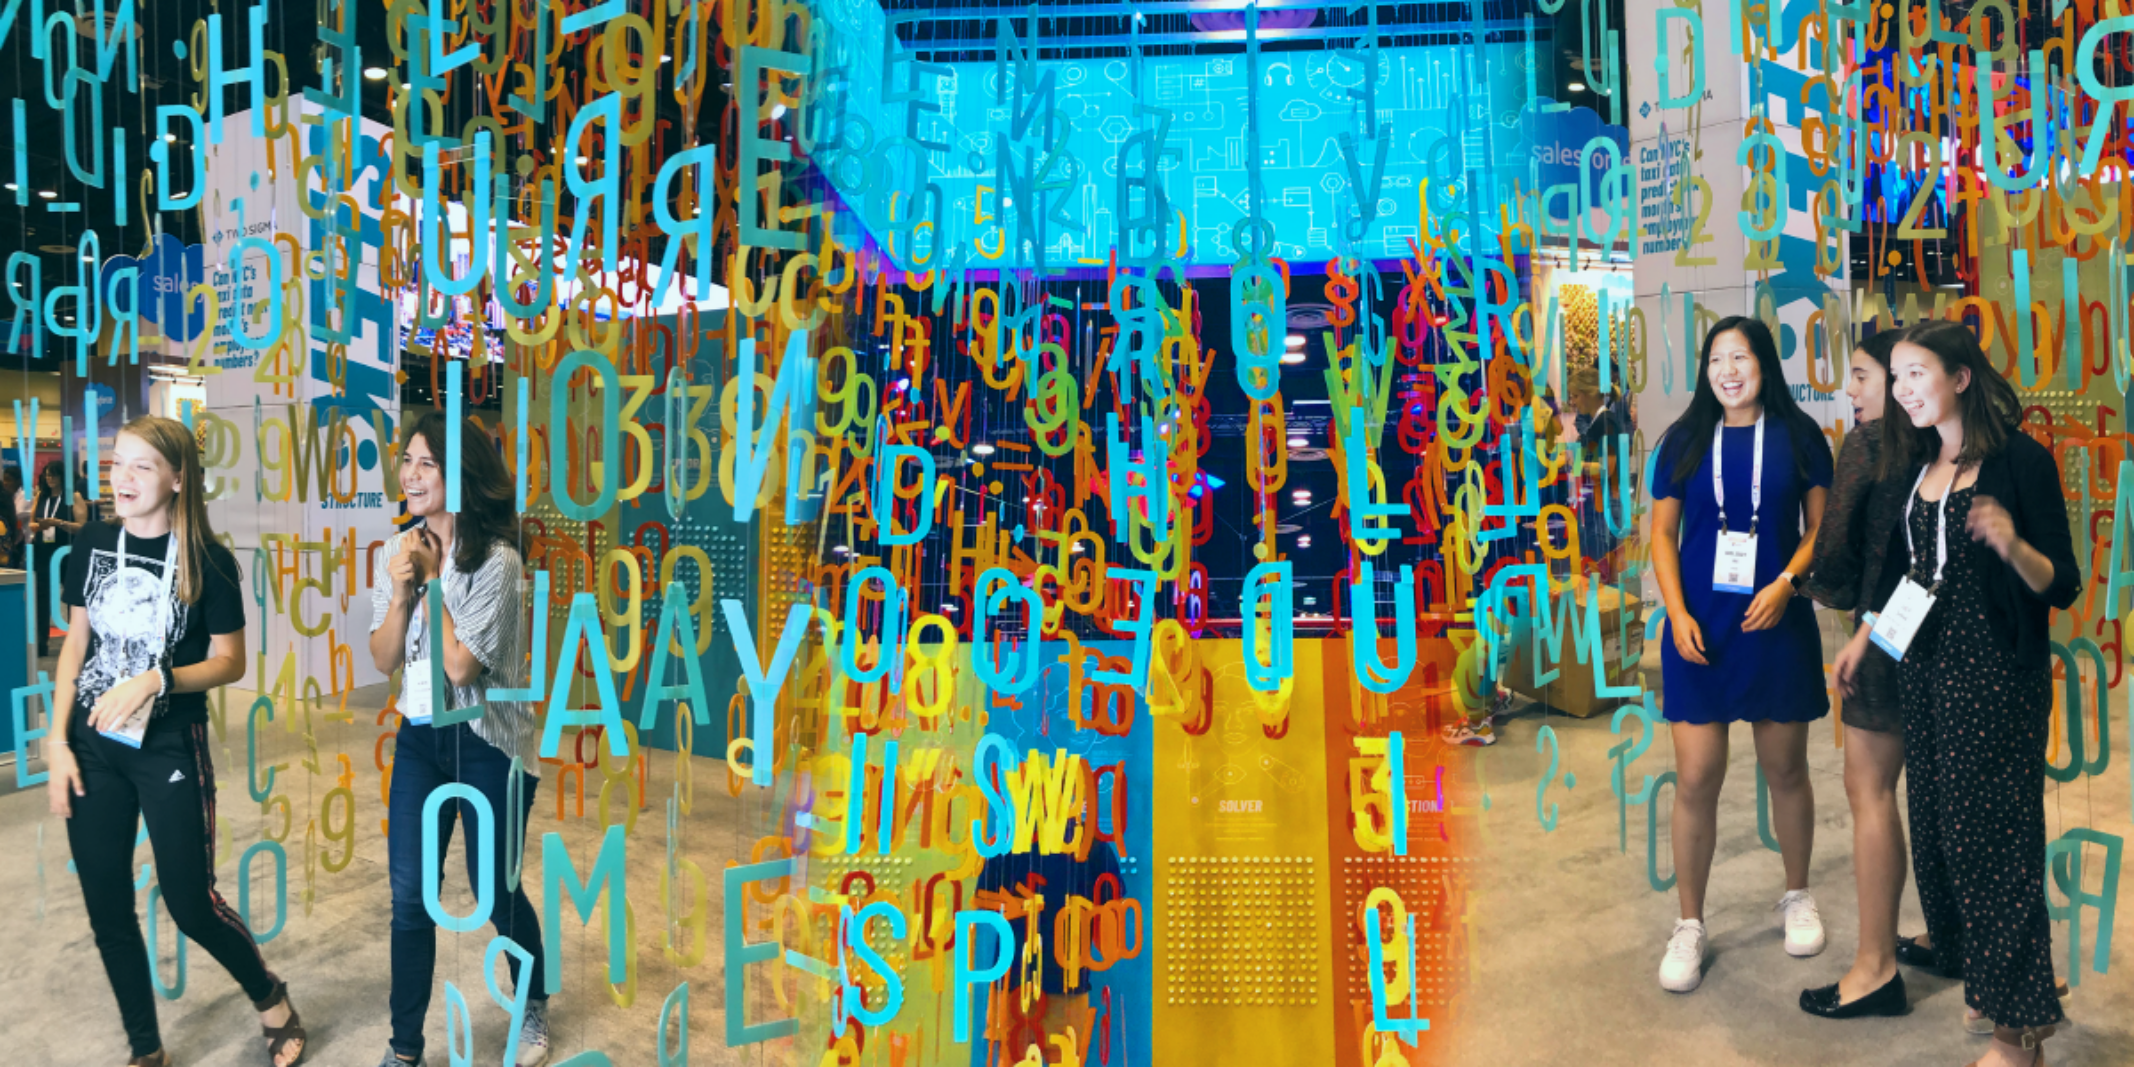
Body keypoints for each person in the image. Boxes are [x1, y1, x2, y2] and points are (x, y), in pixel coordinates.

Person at [1831, 321, 2076, 1066]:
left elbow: (2059, 582)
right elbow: (1917, 575)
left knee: (1993, 843)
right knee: (1940, 834)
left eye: (1916, 373)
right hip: (1926, 672)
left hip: (1995, 675)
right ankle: (1986, 982)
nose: (1903, 390)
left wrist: (2012, 543)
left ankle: (2019, 1029)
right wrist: (1867, 634)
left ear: (1961, 377)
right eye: (1896, 376)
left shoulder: (2019, 463)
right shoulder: (1920, 465)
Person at [44, 416, 307, 1067]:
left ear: (178, 477)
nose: (121, 477)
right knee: (107, 901)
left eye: (141, 465)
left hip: (167, 744)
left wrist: (158, 678)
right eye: (117, 463)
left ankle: (270, 995)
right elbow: (77, 640)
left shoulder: (208, 560)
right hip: (92, 744)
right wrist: (54, 741)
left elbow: (230, 660)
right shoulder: (94, 542)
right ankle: (145, 1048)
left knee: (191, 900)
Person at [1647, 317, 1832, 993]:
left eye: (1741, 357)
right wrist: (1675, 611)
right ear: (1706, 369)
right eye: (1717, 358)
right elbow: (1662, 535)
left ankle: (1798, 893)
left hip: (1775, 621)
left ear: (1764, 365)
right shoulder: (1684, 440)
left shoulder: (1800, 436)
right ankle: (1690, 923)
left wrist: (1788, 583)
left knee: (1786, 768)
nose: (1728, 369)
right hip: (1700, 628)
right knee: (1696, 777)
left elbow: (1821, 528)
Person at [368, 411, 547, 1067]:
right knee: (410, 895)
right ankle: (405, 1045)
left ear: (461, 475)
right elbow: (385, 658)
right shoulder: (400, 549)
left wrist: (434, 582)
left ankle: (531, 1003)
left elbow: (460, 666)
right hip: (421, 738)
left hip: (488, 744)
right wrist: (398, 590)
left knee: (494, 890)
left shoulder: (497, 562)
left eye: (426, 463)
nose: (409, 475)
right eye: (407, 461)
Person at [1796, 330, 1914, 1018]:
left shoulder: (1871, 445)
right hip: (1945, 643)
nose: (1854, 391)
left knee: (1870, 790)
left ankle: (1874, 965)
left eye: (1864, 376)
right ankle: (1952, 940)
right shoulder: (1949, 441)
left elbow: (1834, 550)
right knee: (1932, 797)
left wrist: (1817, 589)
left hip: (1882, 638)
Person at [29, 457, 87, 657]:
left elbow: (82, 527)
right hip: (42, 551)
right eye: (47, 475)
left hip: (66, 552)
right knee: (41, 597)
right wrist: (37, 526)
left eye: (53, 475)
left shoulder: (74, 497)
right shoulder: (41, 496)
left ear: (63, 477)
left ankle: (77, 641)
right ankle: (41, 643)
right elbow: (32, 522)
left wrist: (58, 522)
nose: (50, 479)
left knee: (72, 597)